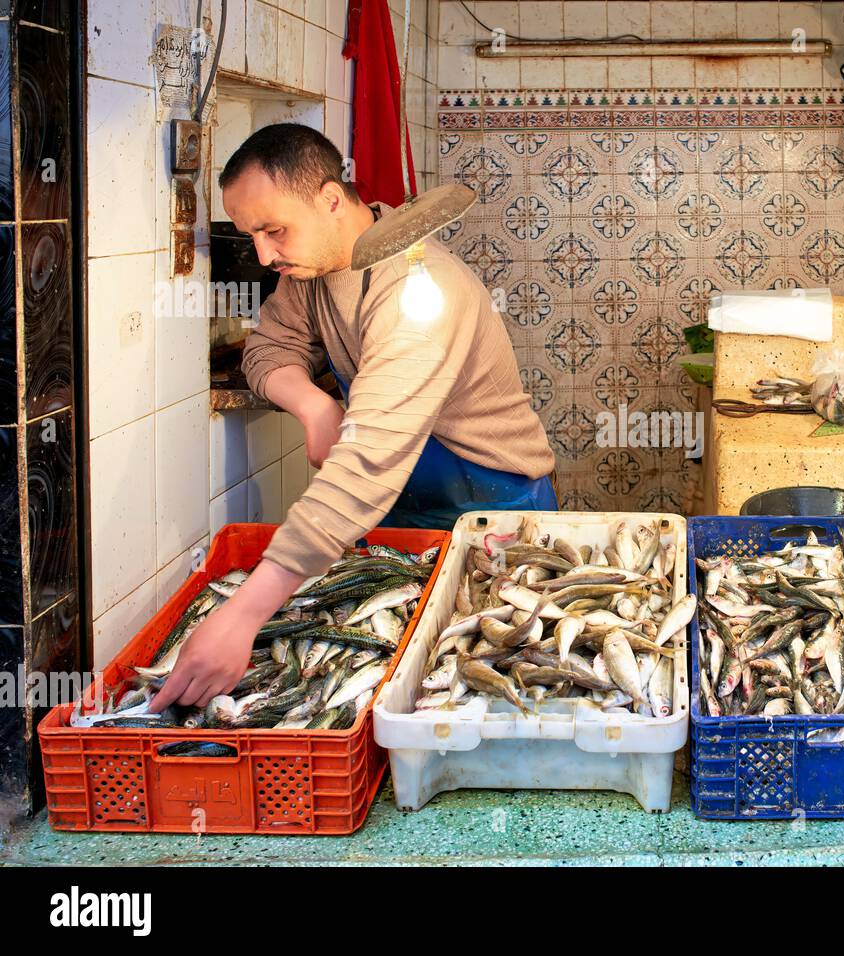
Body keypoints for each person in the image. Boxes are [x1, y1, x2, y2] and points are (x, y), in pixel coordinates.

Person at [151, 123, 556, 711]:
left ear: (331, 200)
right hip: (395, 516)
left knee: (489, 694)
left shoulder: (419, 291)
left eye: (273, 230)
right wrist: (312, 403)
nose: (264, 255)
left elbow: (365, 465)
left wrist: (242, 617)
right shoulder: (313, 269)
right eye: (251, 236)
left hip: (497, 510)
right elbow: (267, 349)